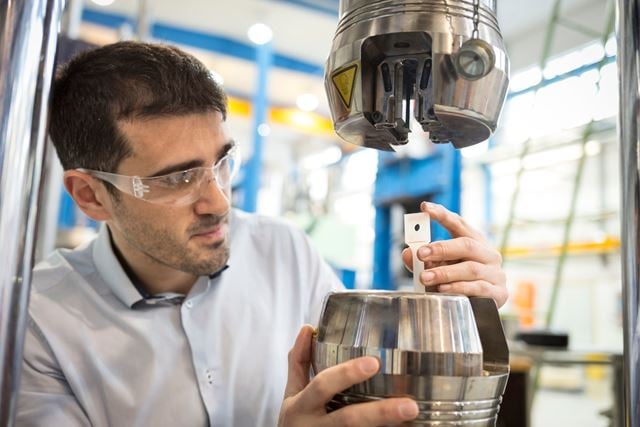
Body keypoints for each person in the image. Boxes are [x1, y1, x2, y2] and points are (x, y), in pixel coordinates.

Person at [16, 41, 507, 427]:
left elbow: (382, 376)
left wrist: (468, 312)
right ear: (90, 196)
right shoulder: (36, 321)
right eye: (176, 178)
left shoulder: (283, 250)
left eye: (222, 163)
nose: (218, 201)